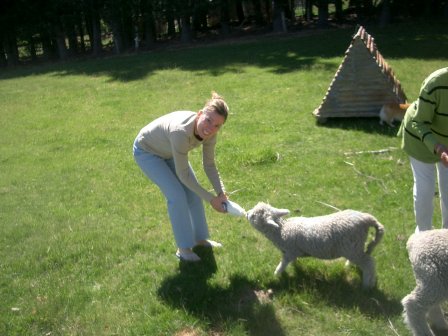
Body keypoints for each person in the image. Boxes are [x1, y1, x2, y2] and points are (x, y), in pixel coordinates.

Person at [133, 92, 230, 262]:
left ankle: (200, 240)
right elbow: (183, 176)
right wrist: (211, 200)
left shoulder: (211, 133)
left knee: (192, 194)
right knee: (177, 196)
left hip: (169, 151)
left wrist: (221, 193)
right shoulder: (180, 132)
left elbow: (209, 165)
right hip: (147, 151)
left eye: (217, 125)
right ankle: (183, 249)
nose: (210, 128)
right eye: (208, 120)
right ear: (200, 114)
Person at [399, 67, 448, 233]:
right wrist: (439, 148)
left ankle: (446, 237)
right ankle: (423, 238)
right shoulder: (436, 82)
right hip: (420, 137)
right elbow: (418, 122)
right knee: (425, 188)